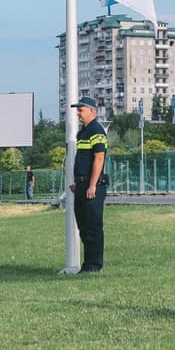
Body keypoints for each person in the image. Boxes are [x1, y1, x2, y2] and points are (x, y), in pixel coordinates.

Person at [69, 95, 108, 273]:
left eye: (81, 109)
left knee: (93, 226)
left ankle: (94, 265)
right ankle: (88, 264)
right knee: (83, 226)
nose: (78, 113)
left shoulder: (97, 131)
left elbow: (99, 159)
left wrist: (92, 185)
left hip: (93, 186)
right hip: (82, 185)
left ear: (92, 111)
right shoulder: (83, 132)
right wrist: (79, 183)